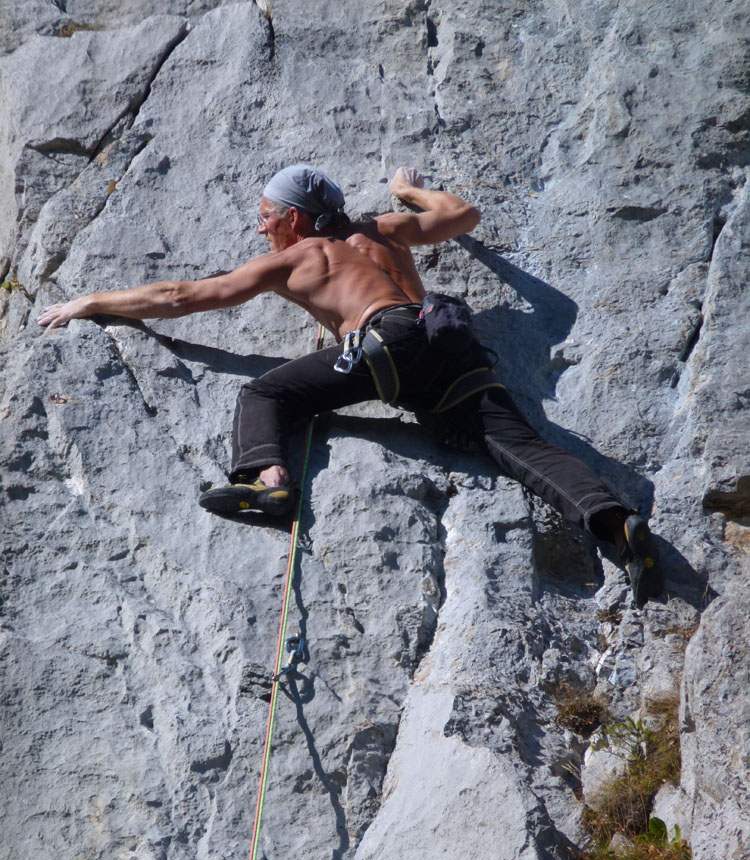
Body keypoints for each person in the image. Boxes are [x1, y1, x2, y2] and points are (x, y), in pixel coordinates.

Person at [37, 164, 662, 606]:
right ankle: (617, 525)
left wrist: (93, 301)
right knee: (521, 446)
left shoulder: (301, 256)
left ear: (294, 218)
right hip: (449, 346)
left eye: (264, 217)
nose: (259, 229)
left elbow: (184, 297)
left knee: (266, 395)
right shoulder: (380, 233)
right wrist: (408, 191)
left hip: (387, 343)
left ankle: (268, 485)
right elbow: (460, 216)